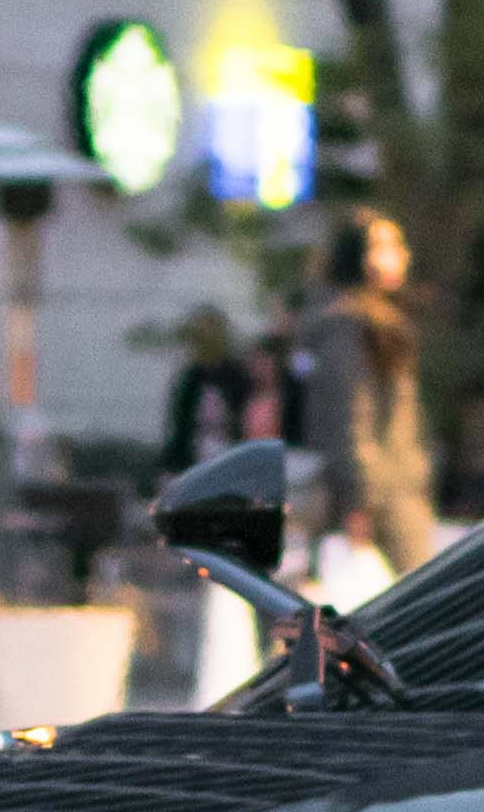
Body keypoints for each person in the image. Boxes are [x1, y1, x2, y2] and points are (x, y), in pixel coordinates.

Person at [293, 210, 441, 586]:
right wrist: (362, 498)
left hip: (400, 483)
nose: (400, 255)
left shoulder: (386, 321)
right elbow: (349, 416)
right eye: (384, 246)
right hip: (384, 493)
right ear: (357, 258)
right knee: (427, 598)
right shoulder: (348, 325)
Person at [159, 306, 265, 476]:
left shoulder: (236, 375)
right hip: (194, 455)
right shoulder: (190, 378)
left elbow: (244, 416)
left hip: (229, 452)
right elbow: (179, 426)